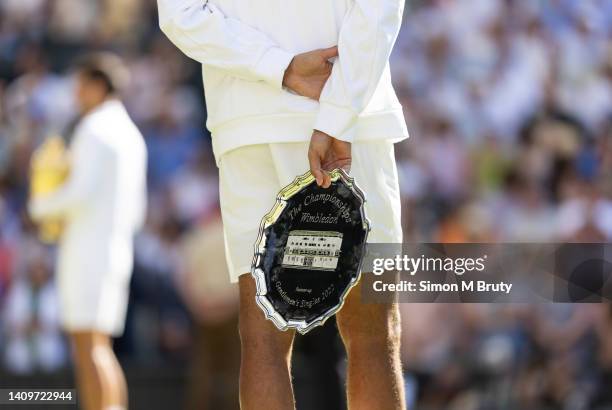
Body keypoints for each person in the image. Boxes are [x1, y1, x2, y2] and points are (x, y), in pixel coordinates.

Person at [158, 0, 408, 408]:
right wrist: (337, 112)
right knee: (371, 336)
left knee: (262, 341)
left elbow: (179, 15)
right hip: (350, 116)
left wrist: (280, 67)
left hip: (248, 120)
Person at [28, 53, 148, 410]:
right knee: (97, 344)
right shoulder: (129, 132)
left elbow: (79, 192)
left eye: (80, 86)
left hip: (88, 250)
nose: (76, 95)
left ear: (97, 86)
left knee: (89, 345)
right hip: (113, 248)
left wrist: (39, 205)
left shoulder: (95, 128)